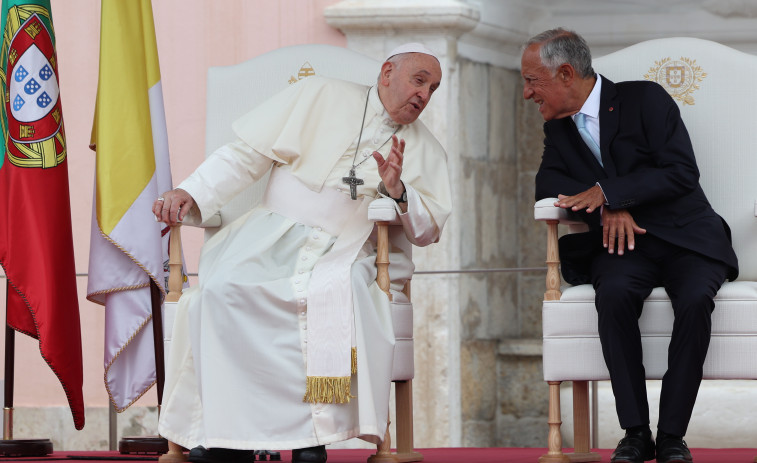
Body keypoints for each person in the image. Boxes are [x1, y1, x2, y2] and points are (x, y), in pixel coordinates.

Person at [152, 43, 451, 463]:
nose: (424, 94)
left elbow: (428, 230)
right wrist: (191, 190)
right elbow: (245, 158)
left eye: (433, 89)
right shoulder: (319, 94)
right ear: (387, 73)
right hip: (269, 233)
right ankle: (225, 436)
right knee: (222, 290)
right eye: (419, 80)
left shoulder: (427, 149)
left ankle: (311, 436)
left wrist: (397, 189)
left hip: (347, 247)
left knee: (328, 294)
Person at [522, 29, 738, 463]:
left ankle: (673, 435)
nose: (527, 93)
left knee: (696, 299)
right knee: (615, 295)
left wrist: (611, 192)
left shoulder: (645, 99)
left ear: (565, 73)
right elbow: (547, 184)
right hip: (621, 248)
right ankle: (635, 433)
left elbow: (680, 173)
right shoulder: (559, 130)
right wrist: (606, 206)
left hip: (687, 238)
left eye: (532, 81)